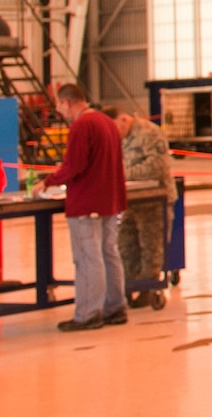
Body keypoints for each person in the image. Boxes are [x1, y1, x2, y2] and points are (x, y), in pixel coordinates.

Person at [40, 83, 129, 331]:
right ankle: (115, 307)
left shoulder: (82, 125)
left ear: (67, 102)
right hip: (110, 201)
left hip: (87, 203)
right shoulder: (106, 122)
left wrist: (47, 182)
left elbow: (75, 165)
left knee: (89, 259)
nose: (59, 110)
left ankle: (89, 313)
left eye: (59, 105)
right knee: (109, 253)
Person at [115, 109, 174, 310]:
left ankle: (149, 288)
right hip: (131, 201)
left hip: (154, 199)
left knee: (151, 245)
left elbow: (158, 166)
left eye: (116, 127)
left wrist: (123, 174)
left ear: (124, 119)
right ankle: (130, 284)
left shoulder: (150, 133)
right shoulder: (123, 138)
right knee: (126, 242)